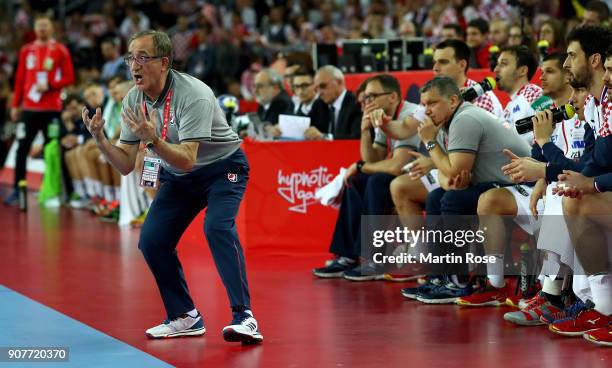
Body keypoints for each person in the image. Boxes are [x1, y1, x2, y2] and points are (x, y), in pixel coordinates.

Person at [82, 30, 263, 344]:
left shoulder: (193, 93)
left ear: (164, 62)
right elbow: (125, 164)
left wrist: (152, 139)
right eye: (130, 57)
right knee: (152, 241)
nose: (134, 65)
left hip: (223, 168)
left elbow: (188, 159)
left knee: (218, 228)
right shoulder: (133, 100)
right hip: (178, 177)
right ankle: (184, 316)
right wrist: (100, 138)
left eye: (143, 57)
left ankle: (244, 316)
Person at [312, 74, 420, 280]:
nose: (367, 102)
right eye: (365, 98)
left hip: (420, 177)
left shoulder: (410, 114)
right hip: (403, 175)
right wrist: (365, 131)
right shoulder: (382, 117)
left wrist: (361, 166)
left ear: (392, 97)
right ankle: (347, 256)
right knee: (355, 181)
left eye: (372, 97)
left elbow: (397, 166)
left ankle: (374, 259)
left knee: (376, 181)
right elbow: (374, 157)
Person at [5, 14, 74, 205]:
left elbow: (69, 77)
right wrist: (15, 105)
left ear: (51, 28)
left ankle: (64, 191)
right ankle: (19, 190)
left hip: (51, 110)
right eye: (39, 25)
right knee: (22, 149)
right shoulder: (27, 50)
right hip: (29, 110)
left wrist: (51, 85)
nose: (42, 28)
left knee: (56, 148)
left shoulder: (60, 50)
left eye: (45, 25)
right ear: (34, 28)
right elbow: (19, 79)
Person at [307, 65, 362, 140]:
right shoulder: (319, 104)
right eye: (316, 89)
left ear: (339, 82)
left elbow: (357, 137)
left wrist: (325, 138)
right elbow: (306, 124)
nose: (319, 93)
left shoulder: (357, 103)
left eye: (323, 86)